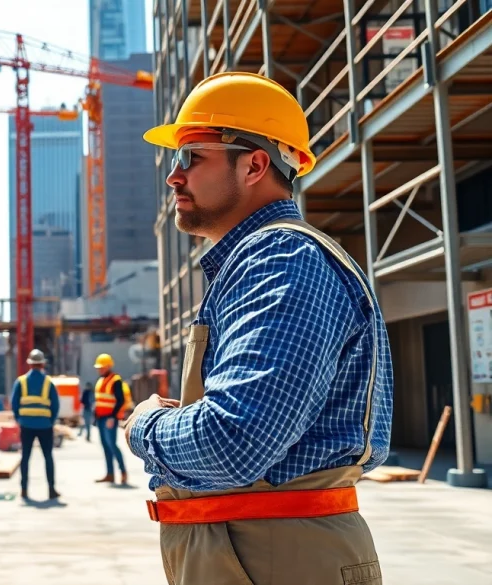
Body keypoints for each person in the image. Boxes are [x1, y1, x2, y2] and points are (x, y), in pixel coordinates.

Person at [125, 71, 393, 585]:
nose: (173, 177)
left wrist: (144, 427)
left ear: (254, 164)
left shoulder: (281, 260)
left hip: (276, 557)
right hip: (259, 552)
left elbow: (233, 441)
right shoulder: (257, 262)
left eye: (191, 157)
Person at [10, 349, 60, 501]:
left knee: (25, 457)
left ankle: (24, 489)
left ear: (30, 364)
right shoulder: (48, 383)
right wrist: (50, 421)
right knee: (48, 457)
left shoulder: (21, 381)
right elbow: (55, 405)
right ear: (43, 364)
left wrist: (19, 419)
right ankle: (51, 490)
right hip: (45, 425)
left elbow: (14, 403)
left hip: (26, 425)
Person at [92, 353, 127, 485]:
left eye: (102, 367)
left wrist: (112, 417)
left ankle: (123, 472)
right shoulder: (101, 380)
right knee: (105, 446)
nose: (99, 369)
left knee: (112, 445)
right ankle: (110, 474)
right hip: (101, 418)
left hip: (109, 418)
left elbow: (120, 400)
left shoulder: (115, 380)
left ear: (108, 366)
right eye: (98, 367)